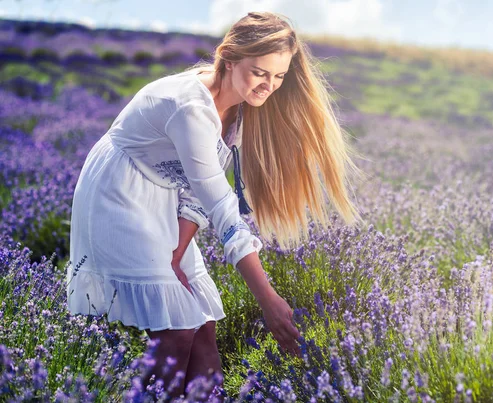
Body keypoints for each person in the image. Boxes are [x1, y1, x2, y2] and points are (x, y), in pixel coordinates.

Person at [66, 11, 364, 400]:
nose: (269, 86)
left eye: (279, 76)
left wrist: (177, 250)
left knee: (203, 326)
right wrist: (268, 300)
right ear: (229, 58)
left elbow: (195, 194)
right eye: (260, 72)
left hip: (166, 192)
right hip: (119, 192)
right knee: (176, 330)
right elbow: (221, 205)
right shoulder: (191, 109)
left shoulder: (239, 109)